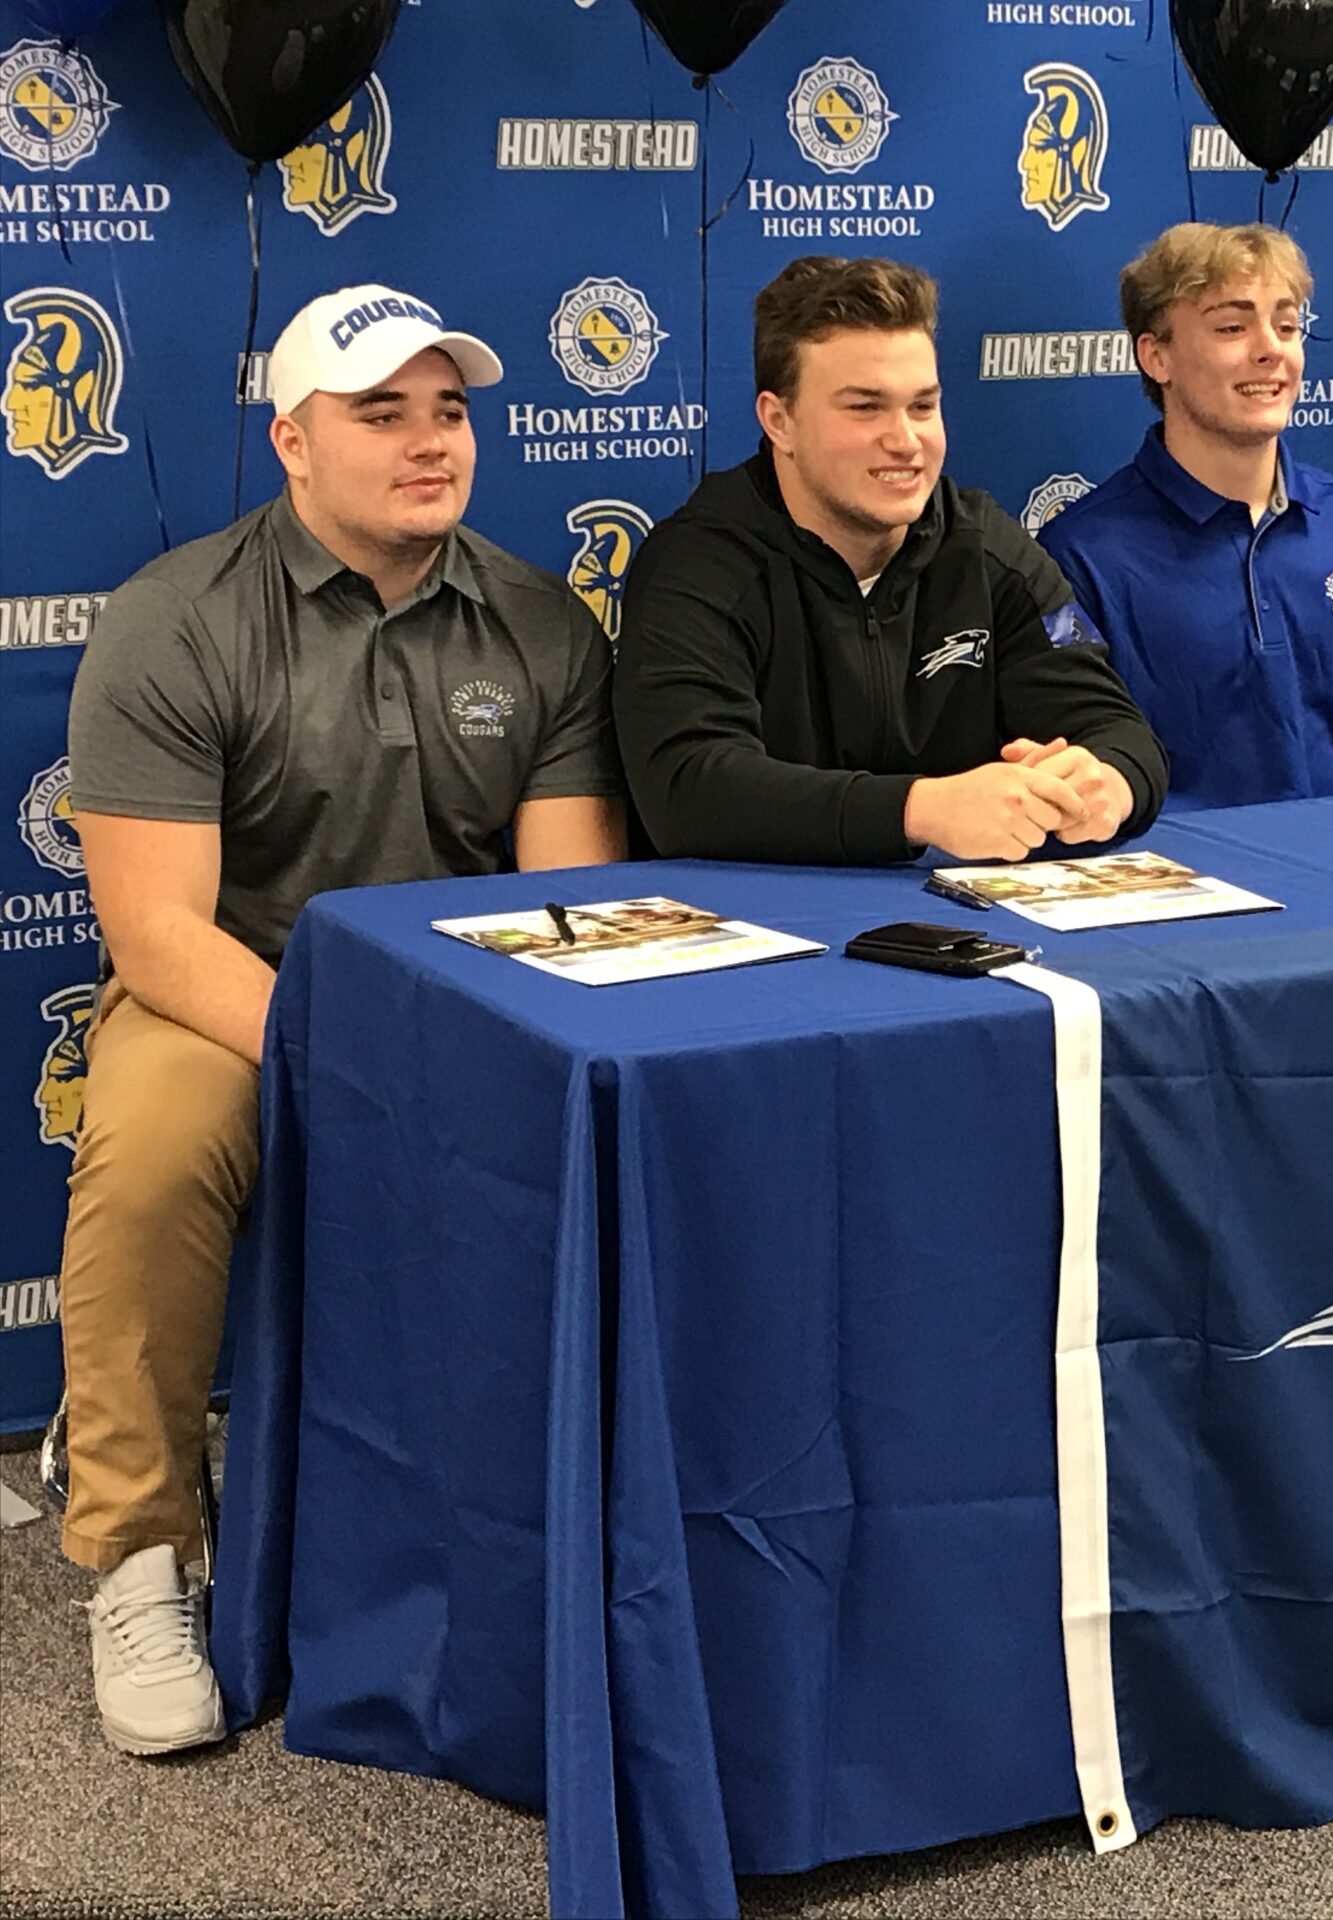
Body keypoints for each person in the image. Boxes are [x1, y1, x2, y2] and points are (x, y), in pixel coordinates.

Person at [60, 282, 625, 1754]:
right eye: (383, 415)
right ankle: (138, 1548)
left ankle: (543, 1534)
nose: (430, 442)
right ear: (293, 441)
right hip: (230, 1001)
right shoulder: (175, 619)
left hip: (469, 1006)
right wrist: (355, 1059)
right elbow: (158, 931)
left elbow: (563, 907)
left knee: (601, 1114)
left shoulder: (543, 622)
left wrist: (468, 1055)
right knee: (157, 1147)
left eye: (449, 413)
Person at [615, 256, 1166, 862]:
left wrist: (1108, 782)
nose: (905, 441)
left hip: (956, 920)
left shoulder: (987, 548)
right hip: (753, 928)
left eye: (922, 406)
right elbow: (688, 792)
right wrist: (922, 810)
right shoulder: (697, 567)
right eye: (864, 408)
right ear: (780, 422)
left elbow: (1119, 729)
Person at [1037, 222, 1333, 809]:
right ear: (1157, 356)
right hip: (1182, 889)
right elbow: (1079, 776)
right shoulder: (1078, 554)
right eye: (1232, 327)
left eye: (1287, 325)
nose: (1271, 348)